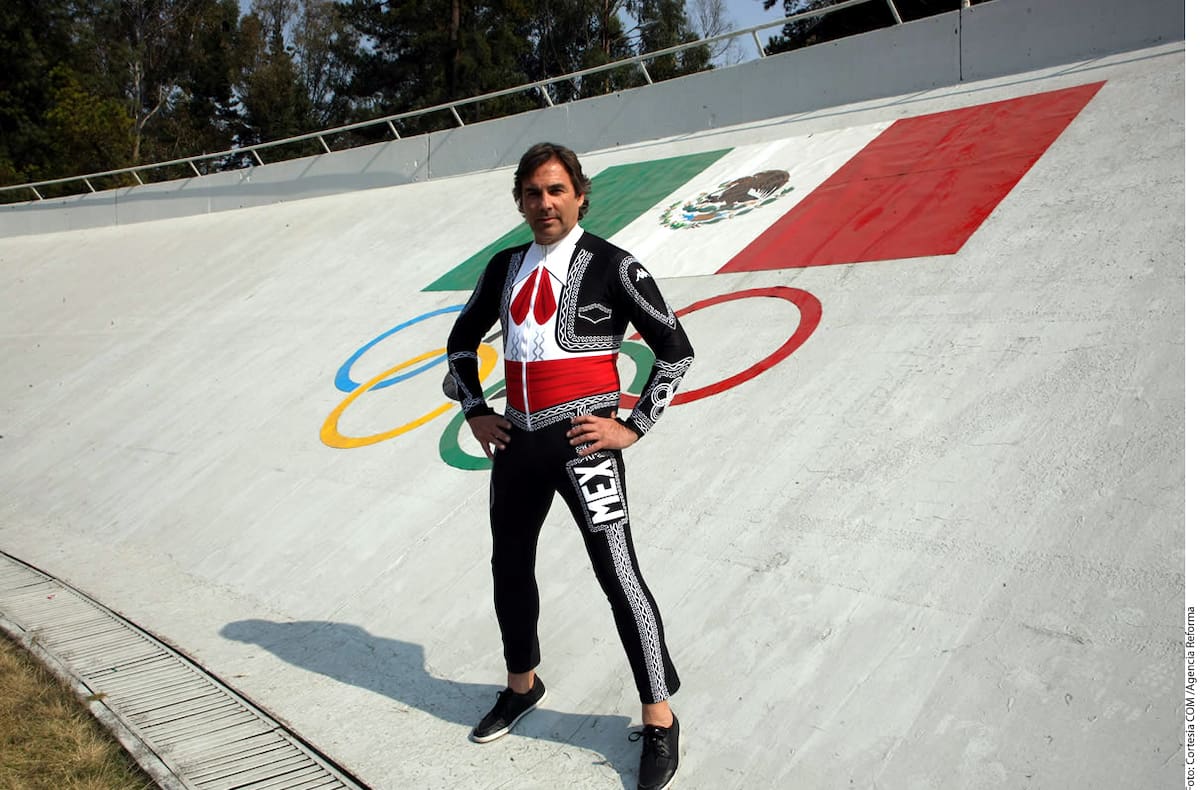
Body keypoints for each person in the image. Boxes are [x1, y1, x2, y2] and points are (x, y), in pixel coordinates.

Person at [445, 141, 693, 790]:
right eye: (532, 192)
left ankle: (660, 719)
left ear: (580, 194)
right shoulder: (503, 266)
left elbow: (675, 350)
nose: (544, 203)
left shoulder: (615, 265)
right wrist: (475, 408)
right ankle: (521, 685)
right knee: (509, 567)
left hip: (587, 446)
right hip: (517, 447)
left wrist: (632, 426)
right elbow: (460, 341)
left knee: (619, 575)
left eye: (556, 190)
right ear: (520, 201)